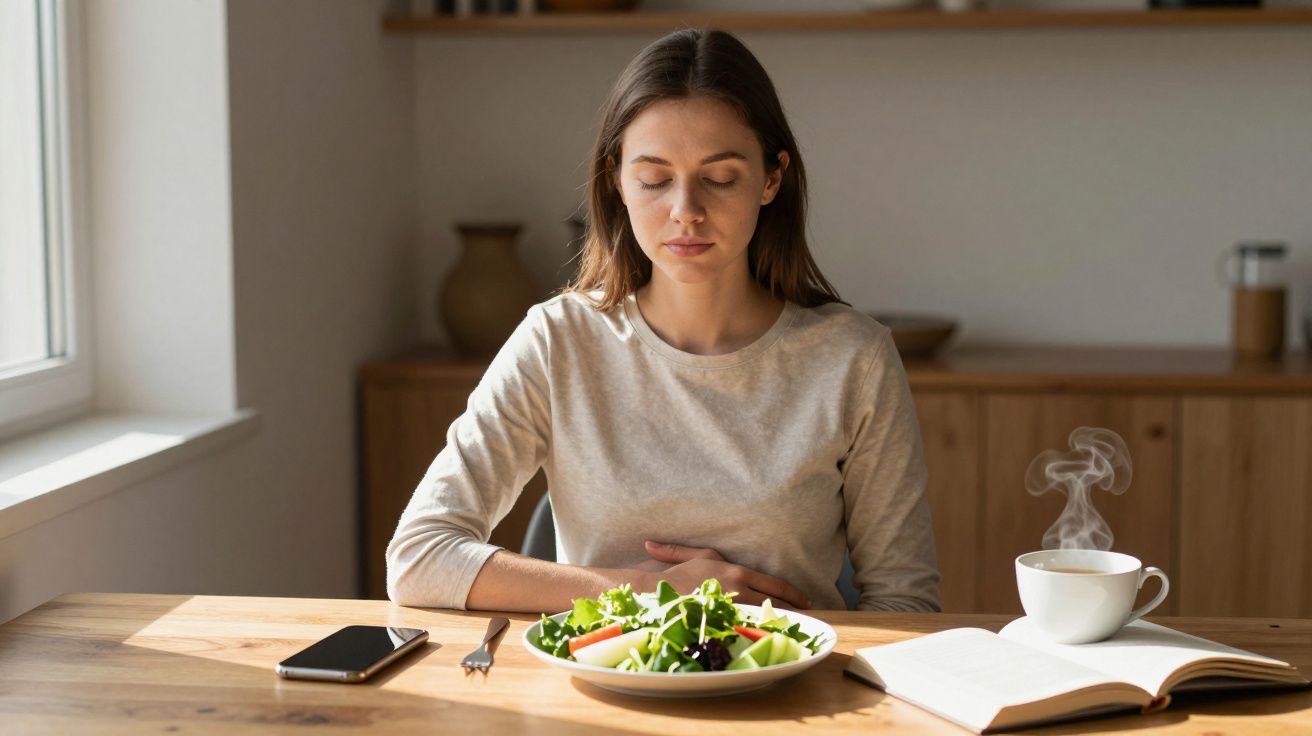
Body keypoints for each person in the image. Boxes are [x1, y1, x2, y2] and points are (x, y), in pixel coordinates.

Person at [386, 29, 940, 614]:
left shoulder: (855, 358)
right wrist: (648, 593)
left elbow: (907, 603)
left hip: (798, 695)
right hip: (602, 692)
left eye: (721, 178)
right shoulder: (558, 342)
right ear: (616, 180)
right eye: (653, 179)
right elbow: (419, 557)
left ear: (771, 178)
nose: (685, 212)